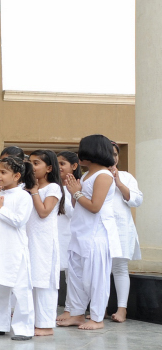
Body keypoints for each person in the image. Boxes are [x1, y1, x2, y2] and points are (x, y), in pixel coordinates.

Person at [57, 135, 122, 331]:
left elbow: (95, 207)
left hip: (97, 235)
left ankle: (96, 318)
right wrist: (73, 192)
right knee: (76, 276)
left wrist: (76, 192)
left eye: (82, 150)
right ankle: (76, 314)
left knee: (96, 278)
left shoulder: (103, 176)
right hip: (80, 233)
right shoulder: (86, 176)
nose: (79, 155)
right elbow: (79, 205)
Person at [0, 156, 36, 341]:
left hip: (15, 250)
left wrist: (0, 208)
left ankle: (24, 329)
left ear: (17, 175)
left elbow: (19, 221)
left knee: (21, 290)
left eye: (3, 172)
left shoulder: (24, 197)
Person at [27, 150, 63, 336]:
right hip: (29, 239)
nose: (32, 167)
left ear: (49, 168)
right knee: (31, 279)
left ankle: (46, 324)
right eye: (30, 163)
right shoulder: (28, 188)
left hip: (44, 241)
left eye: (36, 163)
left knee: (44, 281)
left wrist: (33, 192)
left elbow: (43, 212)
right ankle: (33, 321)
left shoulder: (53, 188)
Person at [107, 142, 142, 323]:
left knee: (120, 268)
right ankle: (100, 308)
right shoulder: (94, 176)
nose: (112, 157)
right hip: (101, 230)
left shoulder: (126, 177)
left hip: (121, 229)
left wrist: (118, 183)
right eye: (108, 153)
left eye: (115, 153)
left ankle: (122, 309)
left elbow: (136, 200)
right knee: (100, 270)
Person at [56, 151, 81, 290]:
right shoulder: (53, 186)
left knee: (72, 274)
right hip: (57, 233)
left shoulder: (78, 186)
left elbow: (74, 212)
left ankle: (71, 309)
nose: (58, 166)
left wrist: (70, 194)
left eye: (62, 163)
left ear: (74, 166)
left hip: (71, 235)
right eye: (57, 163)